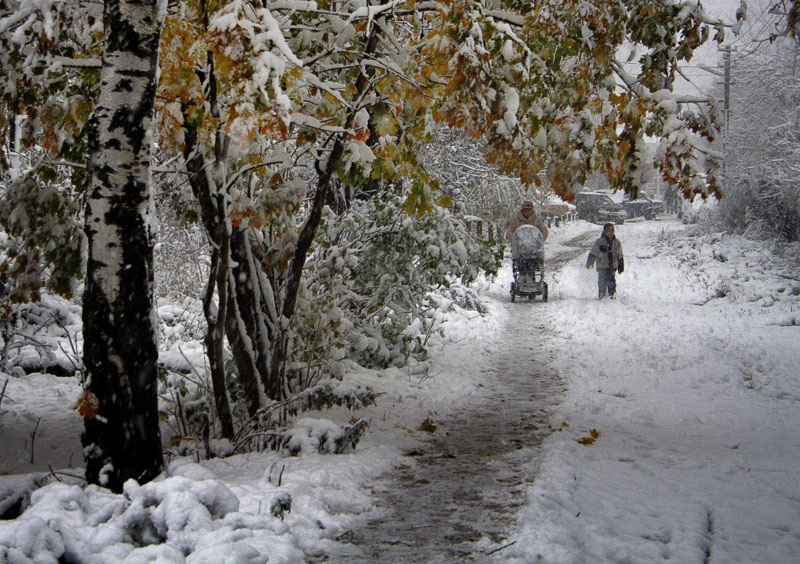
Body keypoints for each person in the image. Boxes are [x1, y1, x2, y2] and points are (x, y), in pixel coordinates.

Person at [586, 222, 624, 299]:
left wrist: (621, 265)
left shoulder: (616, 243)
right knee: (602, 282)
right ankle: (602, 295)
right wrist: (590, 262)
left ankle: (612, 295)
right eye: (608, 231)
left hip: (612, 266)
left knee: (611, 282)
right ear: (605, 232)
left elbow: (619, 255)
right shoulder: (599, 242)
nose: (610, 233)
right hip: (602, 265)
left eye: (612, 231)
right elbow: (593, 253)